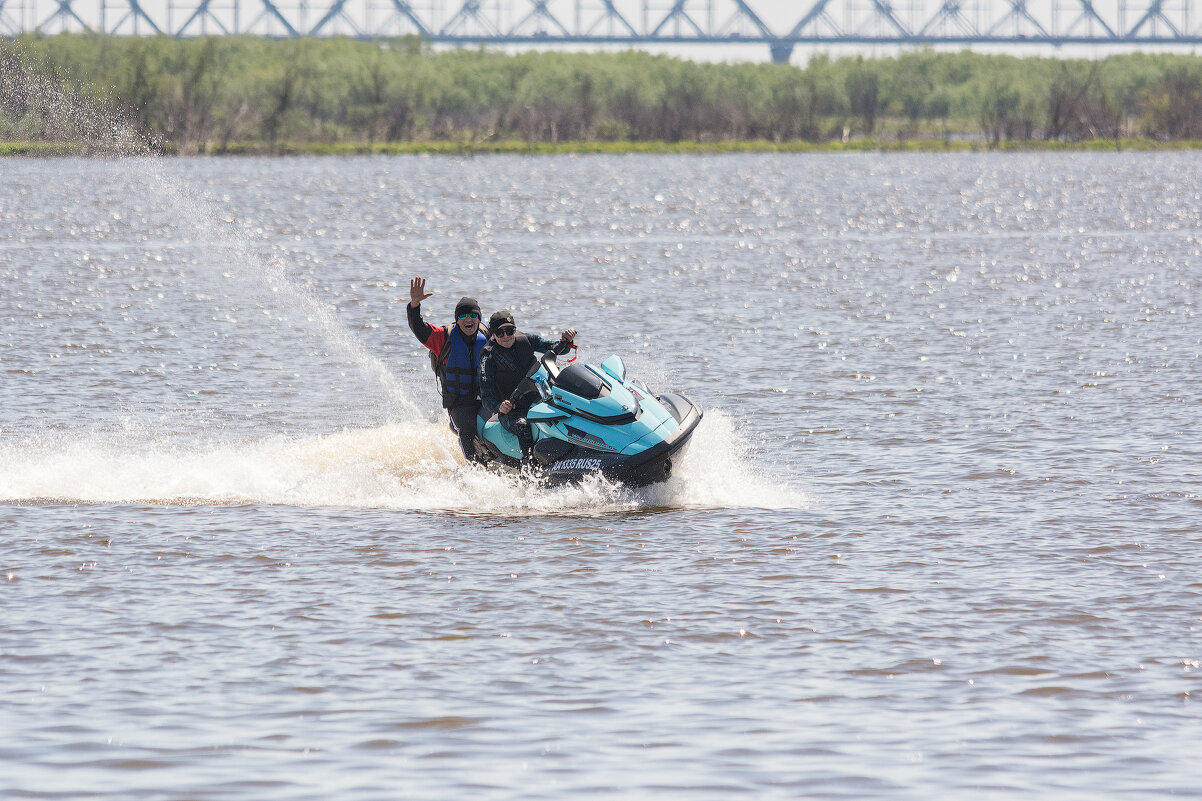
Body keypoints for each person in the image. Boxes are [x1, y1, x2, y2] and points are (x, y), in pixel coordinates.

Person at [406, 276, 488, 463]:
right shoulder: (444, 338)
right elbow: (418, 328)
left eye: (473, 315)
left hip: (485, 400)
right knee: (468, 430)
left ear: (479, 318)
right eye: (463, 316)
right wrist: (415, 304)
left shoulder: (489, 335)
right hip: (459, 404)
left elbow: (515, 341)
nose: (468, 319)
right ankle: (476, 473)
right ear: (457, 319)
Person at [479, 309, 576, 461]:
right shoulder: (488, 357)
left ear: (515, 330)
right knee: (522, 425)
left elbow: (555, 349)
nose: (506, 336)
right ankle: (530, 466)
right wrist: (500, 407)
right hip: (512, 410)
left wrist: (566, 341)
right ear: (493, 334)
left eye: (509, 331)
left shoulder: (526, 340)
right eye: (500, 333)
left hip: (539, 397)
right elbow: (486, 397)